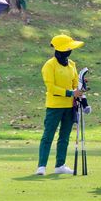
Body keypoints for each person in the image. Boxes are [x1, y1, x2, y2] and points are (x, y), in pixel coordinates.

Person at [36, 34, 85, 175]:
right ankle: (41, 166)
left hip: (70, 106)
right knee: (48, 135)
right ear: (61, 50)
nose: (70, 51)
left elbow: (75, 84)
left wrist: (80, 90)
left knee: (64, 136)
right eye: (68, 48)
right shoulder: (49, 65)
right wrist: (71, 93)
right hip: (54, 106)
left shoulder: (72, 64)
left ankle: (60, 165)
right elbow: (51, 88)